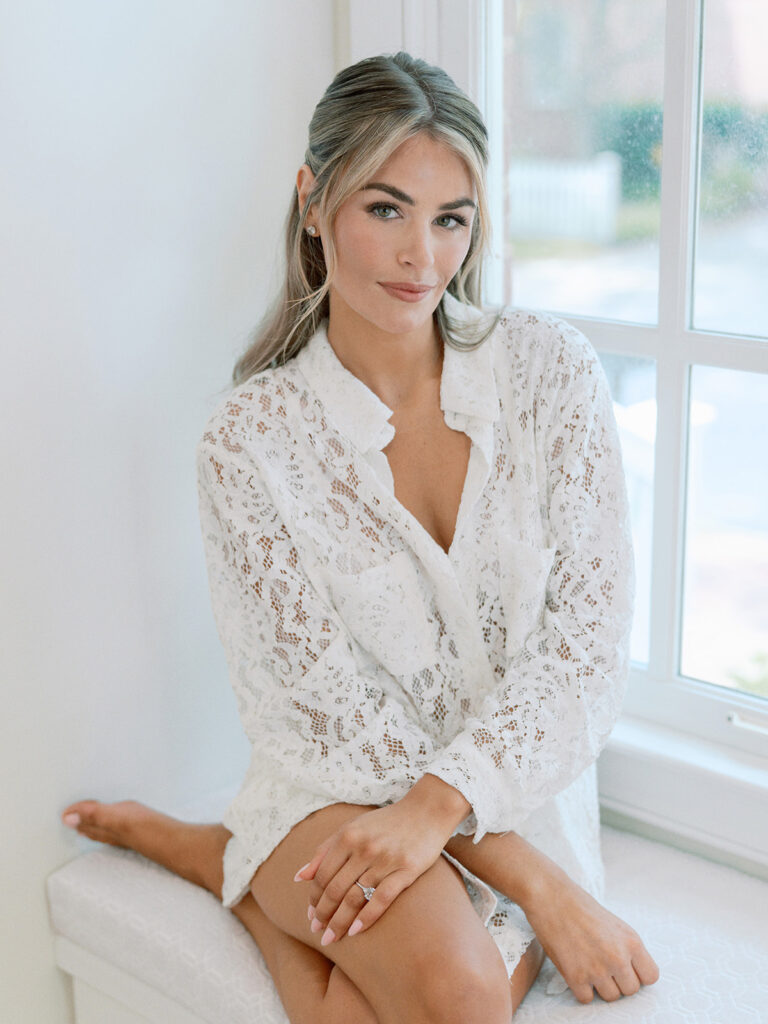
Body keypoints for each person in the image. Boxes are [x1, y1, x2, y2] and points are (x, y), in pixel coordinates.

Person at [62, 52, 659, 1023]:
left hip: (509, 788)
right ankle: (251, 849)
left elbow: (588, 647)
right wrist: (538, 887)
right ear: (312, 201)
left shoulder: (550, 374)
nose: (421, 257)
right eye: (386, 209)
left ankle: (234, 867)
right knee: (463, 999)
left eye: (449, 218)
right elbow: (334, 722)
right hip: (335, 784)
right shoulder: (248, 443)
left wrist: (446, 811)